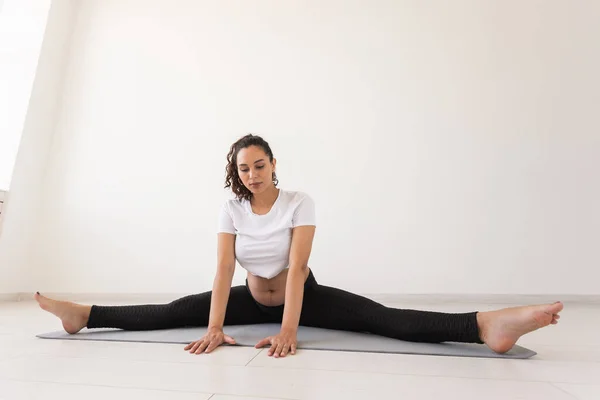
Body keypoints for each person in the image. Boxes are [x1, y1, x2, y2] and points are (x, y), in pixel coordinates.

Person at [35, 134, 563, 358]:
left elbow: (300, 265)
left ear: (272, 164)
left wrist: (290, 331)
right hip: (249, 296)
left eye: (259, 165)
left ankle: (484, 325)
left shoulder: (298, 202)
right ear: (236, 174)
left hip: (302, 295)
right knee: (177, 312)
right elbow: (223, 271)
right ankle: (85, 314)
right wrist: (216, 328)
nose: (252, 174)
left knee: (388, 320)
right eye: (244, 169)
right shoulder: (231, 207)